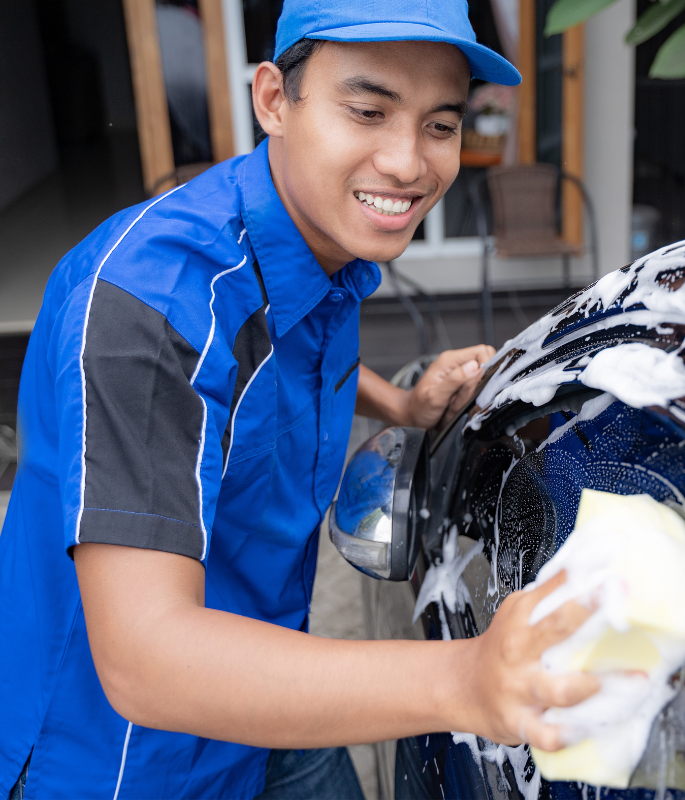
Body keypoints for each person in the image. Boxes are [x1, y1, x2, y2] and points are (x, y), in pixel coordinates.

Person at [0, 2, 598, 797]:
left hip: (276, 679)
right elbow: (146, 662)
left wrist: (404, 405)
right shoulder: (149, 306)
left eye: (440, 126)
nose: (408, 163)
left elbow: (280, 361)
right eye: (368, 110)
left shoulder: (318, 236)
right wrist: (465, 678)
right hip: (128, 754)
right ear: (275, 99)